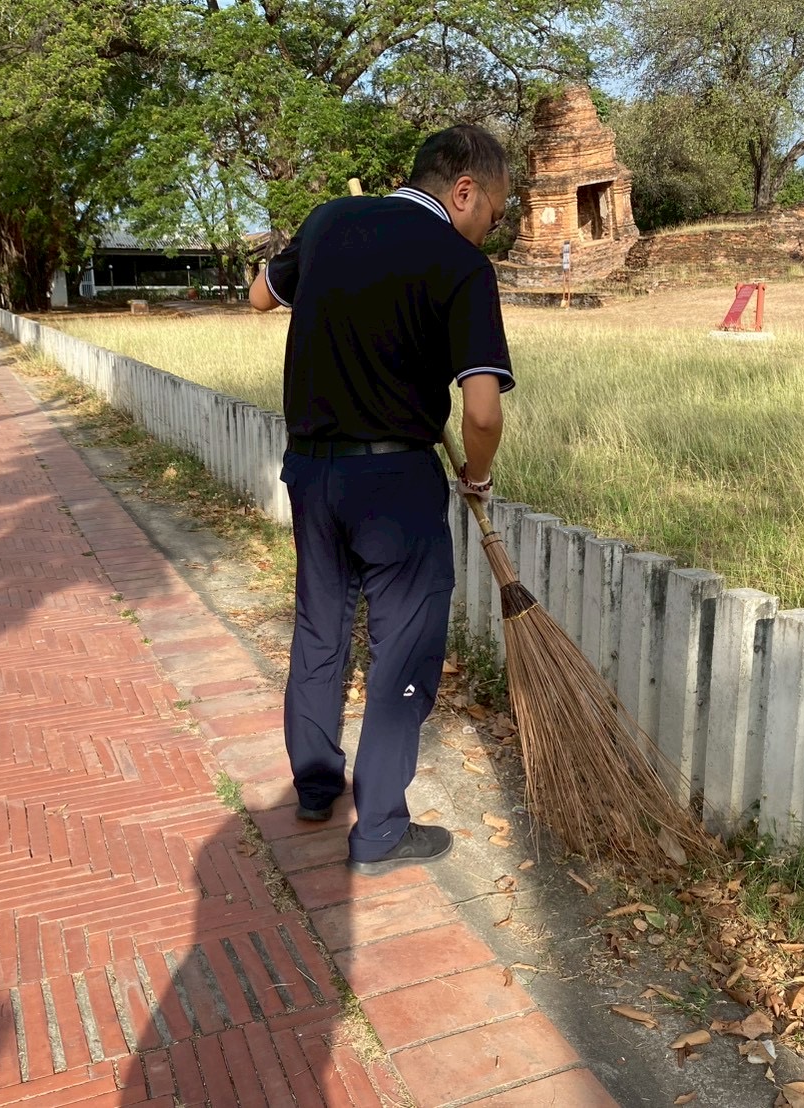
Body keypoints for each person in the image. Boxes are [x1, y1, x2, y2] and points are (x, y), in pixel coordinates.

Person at [249, 125, 512, 876]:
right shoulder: (459, 264)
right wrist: (478, 475)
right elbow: (483, 411)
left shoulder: (331, 219)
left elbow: (259, 295)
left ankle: (313, 786)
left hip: (310, 471)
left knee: (320, 624)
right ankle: (380, 831)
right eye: (489, 212)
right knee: (402, 643)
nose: (486, 230)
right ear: (463, 190)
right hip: (395, 482)